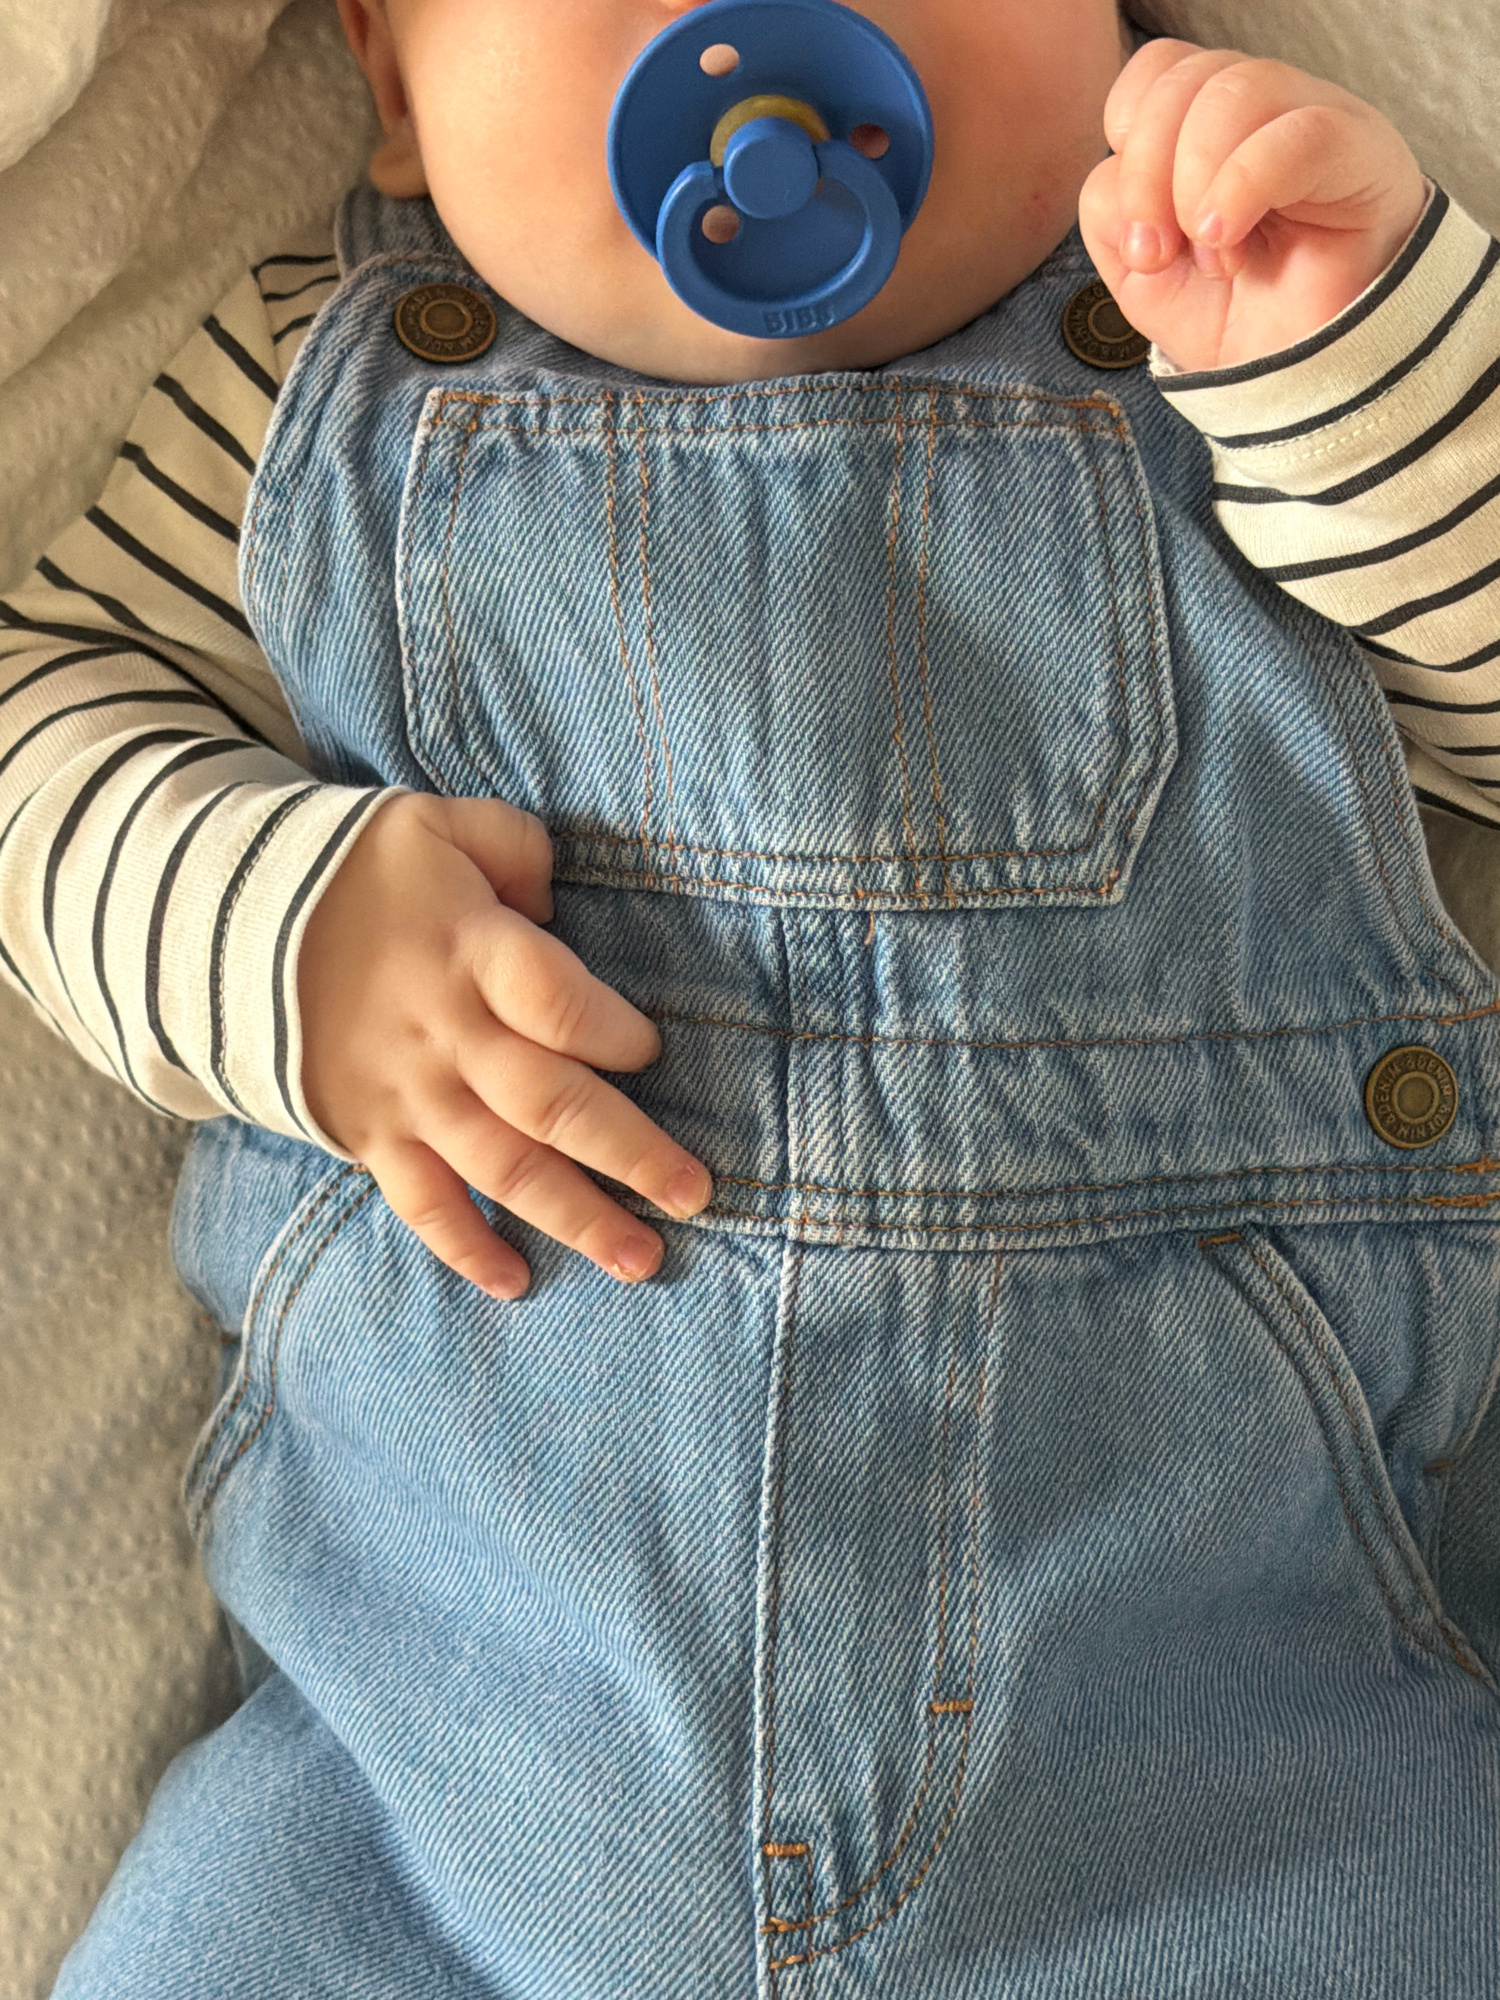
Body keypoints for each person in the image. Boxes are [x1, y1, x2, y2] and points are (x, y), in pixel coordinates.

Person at [8, 2, 1500, 1992]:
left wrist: (1369, 361)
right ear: (389, 81)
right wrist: (290, 940)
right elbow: (40, 738)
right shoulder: (305, 388)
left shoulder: (1228, 350)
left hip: (1241, 1779)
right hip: (422, 1807)